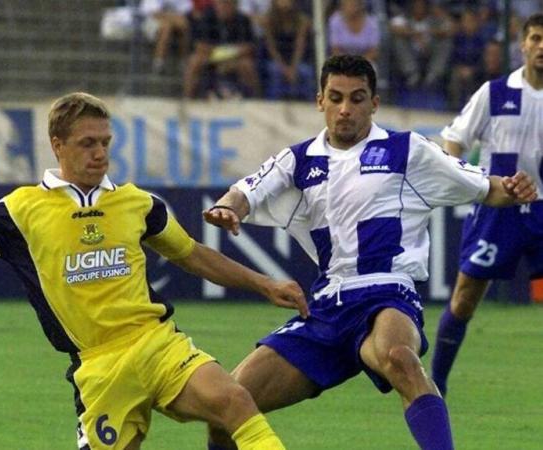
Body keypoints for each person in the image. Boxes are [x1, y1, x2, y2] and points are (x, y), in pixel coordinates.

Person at [0, 92, 310, 450]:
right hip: (100, 368)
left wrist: (263, 282)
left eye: (105, 143)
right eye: (88, 144)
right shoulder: (21, 210)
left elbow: (193, 254)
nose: (99, 154)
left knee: (233, 401)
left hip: (157, 343)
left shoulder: (137, 203)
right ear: (58, 145)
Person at [203, 54, 537, 450]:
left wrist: (512, 190)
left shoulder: (407, 150)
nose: (346, 109)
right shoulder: (298, 159)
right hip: (325, 307)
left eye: (358, 98)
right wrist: (227, 207)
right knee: (226, 408)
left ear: (374, 103)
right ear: (320, 101)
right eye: (336, 97)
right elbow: (246, 190)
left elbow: (484, 187)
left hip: (387, 292)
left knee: (399, 357)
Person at [431, 13, 543, 397]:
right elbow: (455, 140)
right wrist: (467, 181)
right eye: (536, 38)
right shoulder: (494, 92)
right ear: (523, 44)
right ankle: (436, 385)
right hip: (499, 209)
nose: (542, 47)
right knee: (465, 298)